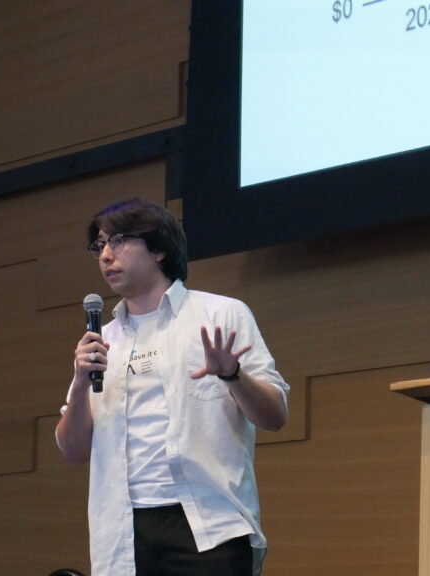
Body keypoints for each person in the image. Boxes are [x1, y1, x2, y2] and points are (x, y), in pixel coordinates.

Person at [56, 198, 289, 576]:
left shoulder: (220, 314)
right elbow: (73, 451)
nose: (106, 256)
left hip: (210, 523)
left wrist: (232, 375)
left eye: (118, 241)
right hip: (123, 531)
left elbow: (275, 416)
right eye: (99, 246)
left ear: (159, 249)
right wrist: (82, 384)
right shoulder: (101, 341)